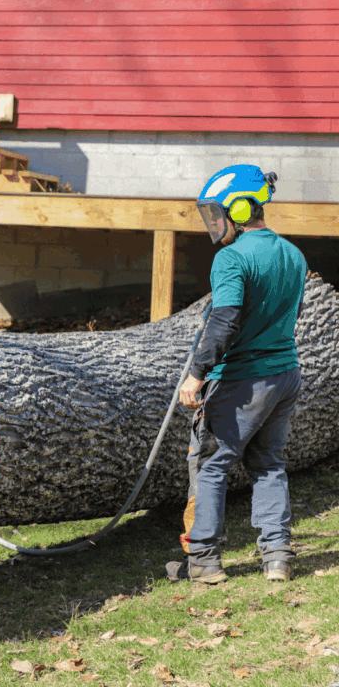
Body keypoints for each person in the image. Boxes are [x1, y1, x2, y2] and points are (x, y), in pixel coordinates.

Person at [166, 164, 307, 585]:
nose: (215, 223)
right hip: (285, 375)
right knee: (268, 464)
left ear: (242, 209)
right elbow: (290, 315)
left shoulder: (231, 257)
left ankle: (204, 561)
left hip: (243, 381)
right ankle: (277, 557)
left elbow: (224, 321)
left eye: (218, 214)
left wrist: (195, 375)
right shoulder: (293, 254)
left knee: (210, 463)